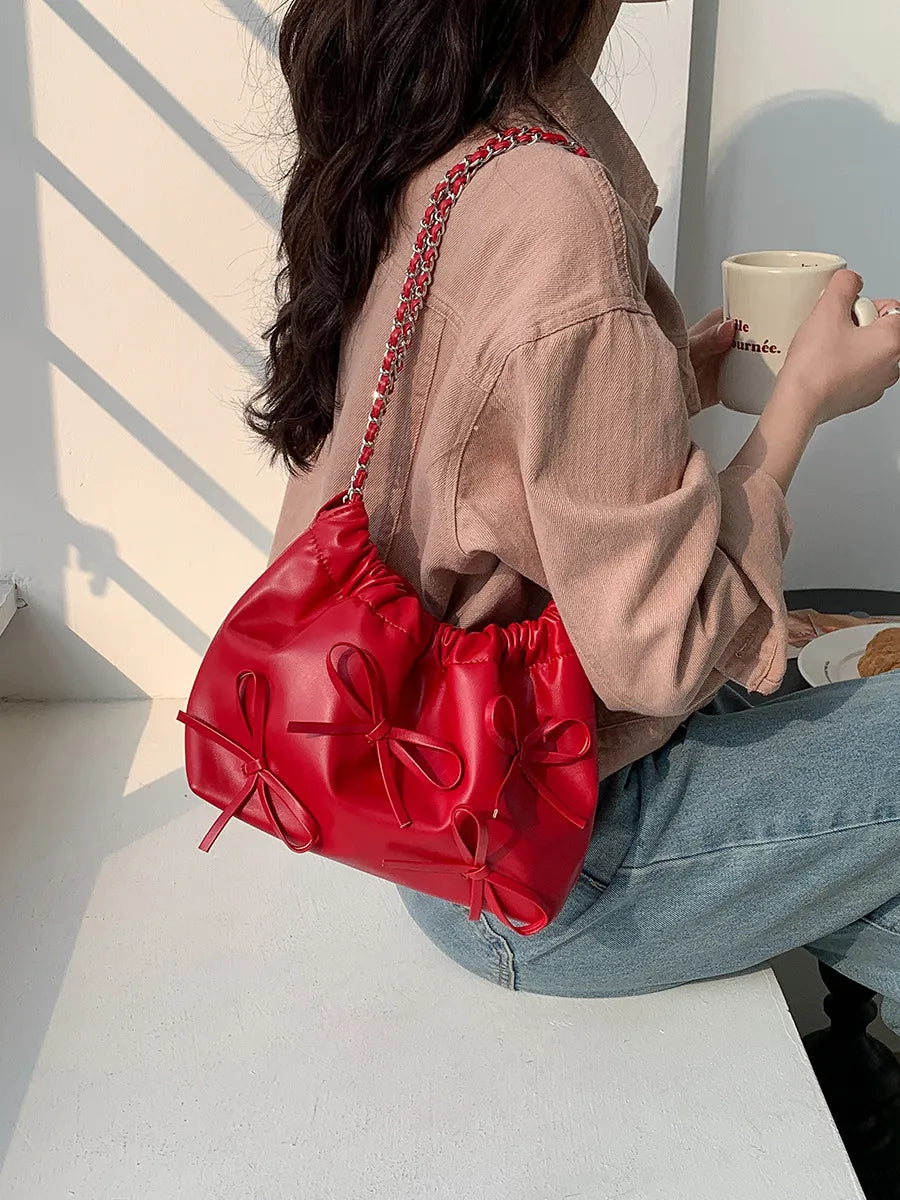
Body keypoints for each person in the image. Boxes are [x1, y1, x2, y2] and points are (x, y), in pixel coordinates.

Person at [257, 0, 900, 1027]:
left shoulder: (421, 140)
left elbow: (470, 451)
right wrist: (806, 401)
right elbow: (665, 651)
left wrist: (658, 384)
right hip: (562, 860)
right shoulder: (552, 200)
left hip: (447, 823)